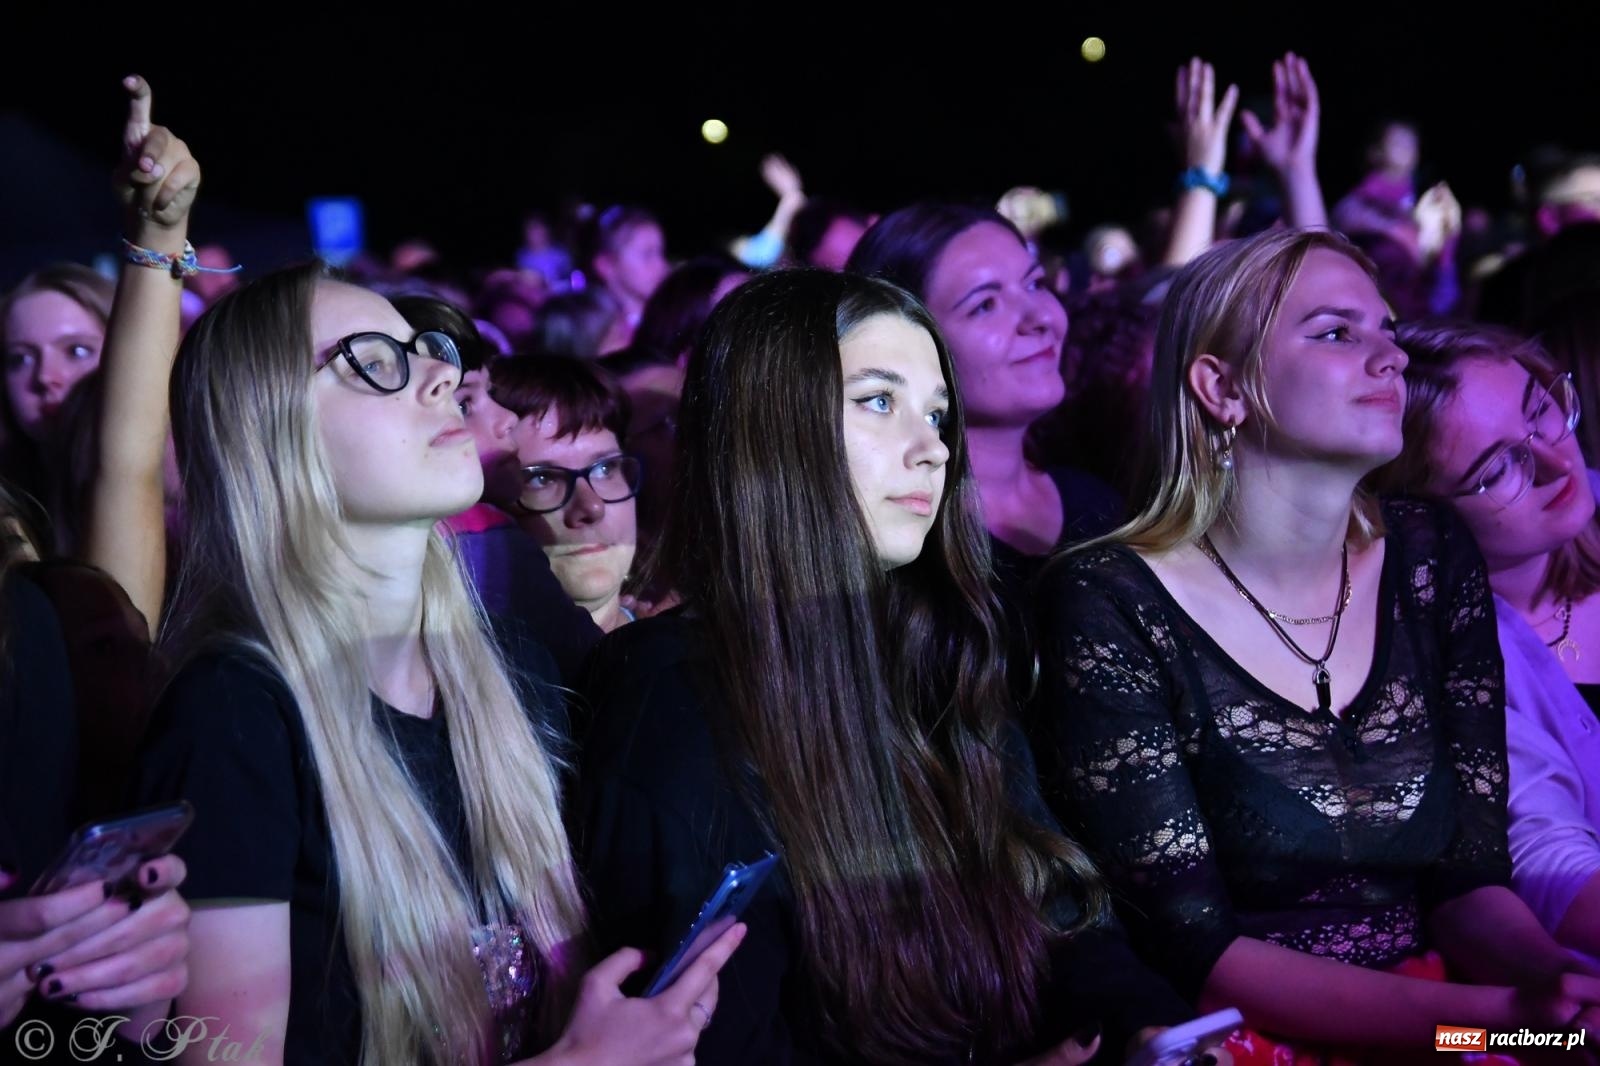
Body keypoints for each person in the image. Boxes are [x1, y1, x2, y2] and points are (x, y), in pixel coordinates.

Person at [135, 259, 740, 1065]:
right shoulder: (236, 715)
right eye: (374, 362)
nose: (441, 373)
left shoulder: (511, 668)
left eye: (425, 350)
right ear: (270, 426)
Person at [579, 269, 1190, 1065]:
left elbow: (1054, 903)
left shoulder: (938, 641)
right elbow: (721, 1043)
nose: (932, 446)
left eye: (938, 413)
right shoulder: (673, 694)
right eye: (878, 401)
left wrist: (1151, 1026)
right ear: (773, 424)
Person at [1035, 227, 1600, 1058]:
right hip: (1250, 1038)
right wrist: (1501, 1017)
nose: (1391, 358)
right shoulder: (1110, 599)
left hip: (1447, 1013)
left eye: (1386, 329)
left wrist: (1556, 989)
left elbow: (1468, 884)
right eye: (1338, 333)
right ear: (1222, 387)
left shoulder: (1429, 555)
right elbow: (1200, 951)